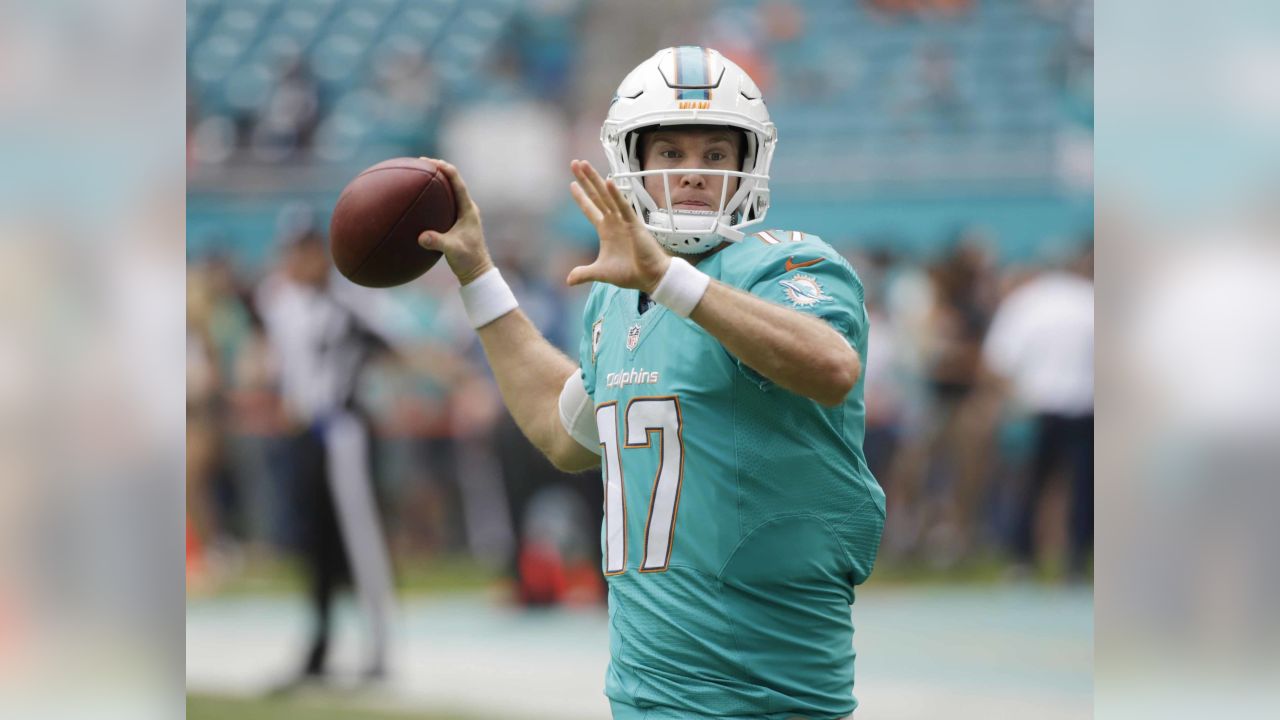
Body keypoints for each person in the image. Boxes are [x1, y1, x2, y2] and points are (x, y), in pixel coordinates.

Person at [417, 47, 884, 719]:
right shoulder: (618, 298)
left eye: (715, 155)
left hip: (766, 696)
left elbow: (831, 366)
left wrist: (668, 280)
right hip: (643, 693)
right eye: (669, 153)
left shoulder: (785, 264)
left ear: (748, 165)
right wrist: (479, 274)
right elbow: (562, 427)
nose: (692, 173)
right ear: (630, 163)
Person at [255, 217, 399, 687]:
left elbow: (394, 345)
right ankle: (318, 647)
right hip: (305, 436)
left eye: (307, 251)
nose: (299, 262)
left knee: (360, 543)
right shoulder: (282, 302)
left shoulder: (352, 299)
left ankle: (378, 649)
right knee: (313, 546)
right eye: (293, 252)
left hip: (345, 432)